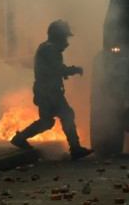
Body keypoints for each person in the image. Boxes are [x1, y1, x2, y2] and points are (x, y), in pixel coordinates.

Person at [10, 20, 93, 160]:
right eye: (64, 37)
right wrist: (74, 70)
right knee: (66, 115)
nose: (66, 40)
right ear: (58, 36)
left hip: (45, 90)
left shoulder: (46, 47)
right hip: (49, 91)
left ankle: (20, 138)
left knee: (47, 121)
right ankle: (76, 149)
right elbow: (57, 69)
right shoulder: (50, 49)